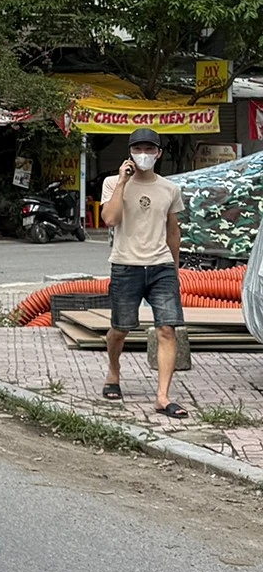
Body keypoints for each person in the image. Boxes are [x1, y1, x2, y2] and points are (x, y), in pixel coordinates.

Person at [99, 127, 186, 417]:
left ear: (158, 153)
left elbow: (173, 231)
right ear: (130, 152)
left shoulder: (169, 189)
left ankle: (162, 396)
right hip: (126, 264)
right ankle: (114, 371)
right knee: (120, 329)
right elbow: (110, 219)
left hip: (161, 266)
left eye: (150, 150)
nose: (144, 155)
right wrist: (124, 181)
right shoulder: (113, 183)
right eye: (139, 149)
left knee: (167, 329)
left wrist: (175, 269)